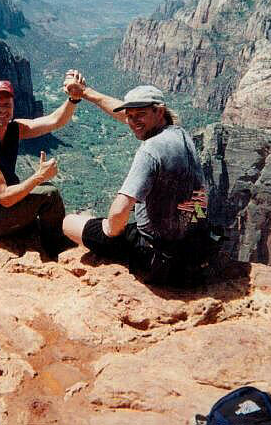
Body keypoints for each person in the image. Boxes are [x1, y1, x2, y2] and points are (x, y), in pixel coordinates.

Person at [62, 72, 211, 284]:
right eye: (129, 116)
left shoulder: (150, 150)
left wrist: (108, 231)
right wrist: (85, 93)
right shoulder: (181, 134)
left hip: (156, 257)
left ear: (158, 112)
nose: (132, 122)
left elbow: (118, 213)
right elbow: (197, 202)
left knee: (69, 223)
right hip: (192, 250)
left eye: (139, 115)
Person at [0, 75, 85, 255]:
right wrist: (39, 176)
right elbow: (5, 197)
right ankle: (55, 249)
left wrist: (73, 99)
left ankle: (45, 239)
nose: (2, 110)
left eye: (6, 104)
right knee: (48, 193)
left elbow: (54, 121)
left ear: (13, 105)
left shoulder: (11, 129)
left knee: (42, 192)